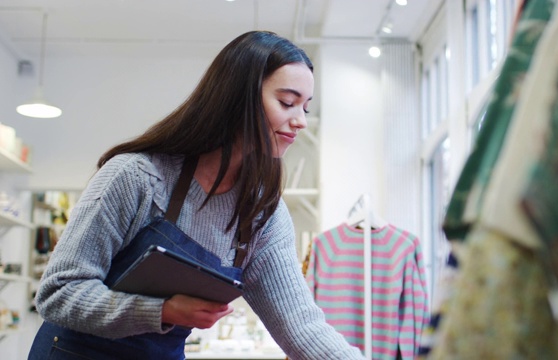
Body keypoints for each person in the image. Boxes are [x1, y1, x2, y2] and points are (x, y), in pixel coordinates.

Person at [28, 30, 365, 360]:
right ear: (238, 97)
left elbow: (303, 327)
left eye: (305, 107)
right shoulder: (137, 177)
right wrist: (161, 310)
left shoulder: (261, 213)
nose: (301, 121)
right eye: (287, 103)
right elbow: (59, 293)